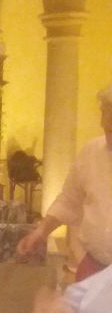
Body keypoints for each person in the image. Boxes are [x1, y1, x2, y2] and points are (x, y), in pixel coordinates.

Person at [17, 84, 112, 281]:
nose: (104, 125)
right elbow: (69, 200)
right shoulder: (91, 152)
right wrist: (40, 232)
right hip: (93, 267)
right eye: (104, 114)